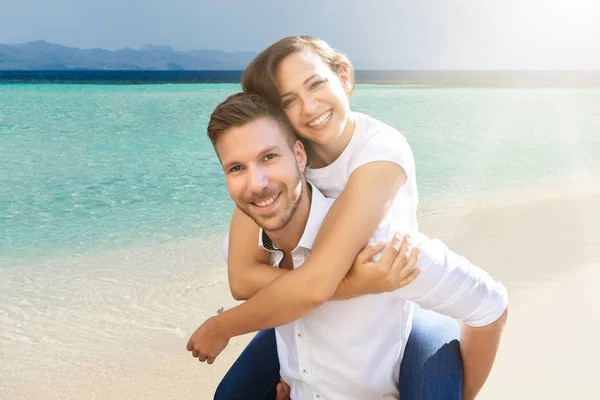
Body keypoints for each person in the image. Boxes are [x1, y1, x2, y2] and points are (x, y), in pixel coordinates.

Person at [188, 91, 508, 399]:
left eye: (269, 157)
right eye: (236, 168)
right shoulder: (245, 247)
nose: (256, 183)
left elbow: (490, 305)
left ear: (300, 156)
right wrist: (350, 286)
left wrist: (454, 395)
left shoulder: (382, 251)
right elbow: (252, 286)